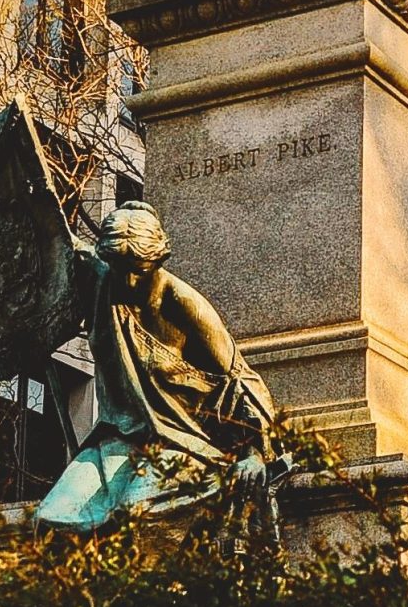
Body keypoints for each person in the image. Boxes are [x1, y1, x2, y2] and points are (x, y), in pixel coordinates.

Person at [32, 203, 276, 529]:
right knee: (51, 519)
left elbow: (240, 378)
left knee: (133, 519)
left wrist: (255, 452)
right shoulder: (100, 281)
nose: (129, 281)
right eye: (119, 268)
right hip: (120, 438)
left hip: (187, 441)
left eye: (139, 269)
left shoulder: (183, 304)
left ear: (158, 260)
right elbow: (52, 239)